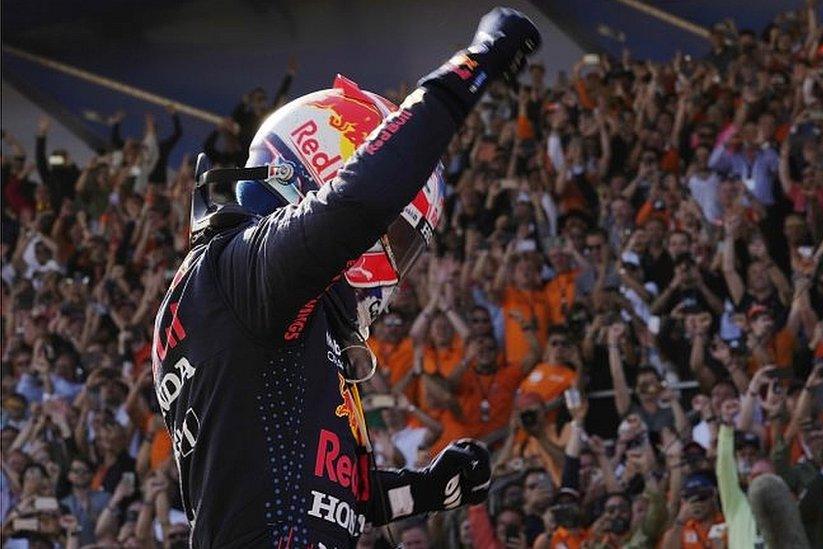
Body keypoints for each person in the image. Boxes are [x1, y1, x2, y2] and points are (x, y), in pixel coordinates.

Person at [150, 9, 540, 546]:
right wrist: (472, 67)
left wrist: (431, 490)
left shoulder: (257, 304)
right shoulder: (239, 273)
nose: (393, 270)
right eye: (395, 237)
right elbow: (360, 198)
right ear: (315, 179)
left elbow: (333, 496)